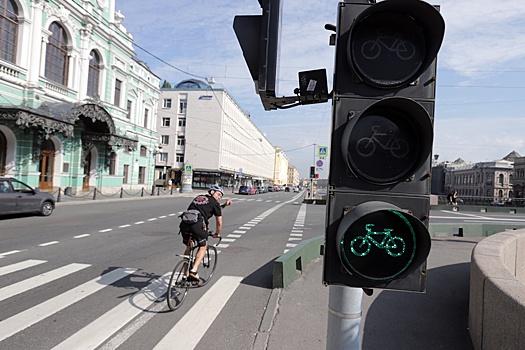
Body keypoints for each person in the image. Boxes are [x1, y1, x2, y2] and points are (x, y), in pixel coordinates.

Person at [179, 185, 232, 282]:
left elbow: (210, 207)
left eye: (221, 196)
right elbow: (219, 222)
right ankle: (194, 271)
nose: (219, 197)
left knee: (188, 247)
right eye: (218, 194)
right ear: (212, 192)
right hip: (198, 224)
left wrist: (224, 205)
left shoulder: (199, 198)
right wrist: (217, 233)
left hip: (185, 223)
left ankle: (184, 275)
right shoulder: (214, 203)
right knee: (203, 246)